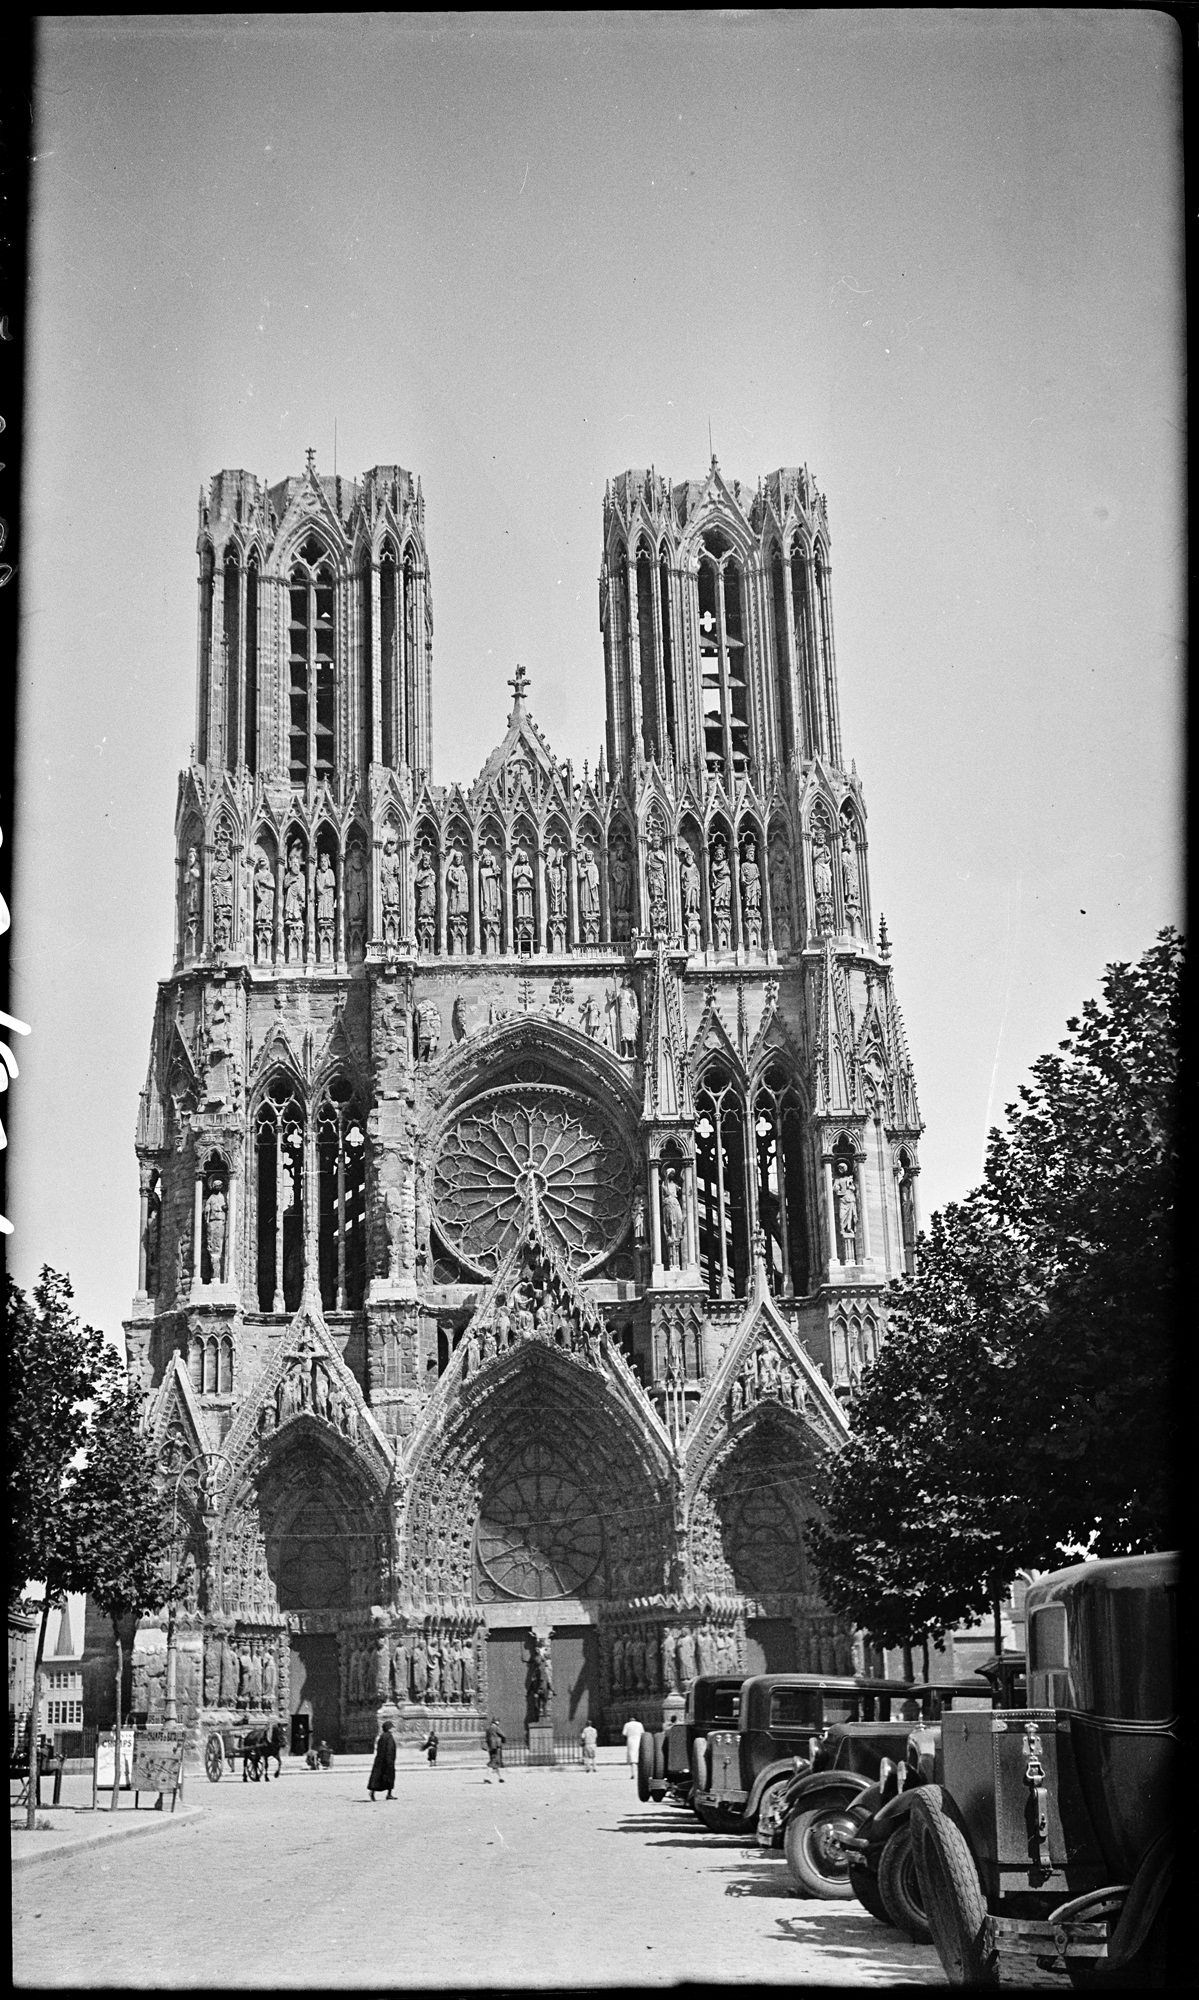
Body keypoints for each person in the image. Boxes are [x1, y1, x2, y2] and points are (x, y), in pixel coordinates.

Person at [367, 1719, 396, 1801]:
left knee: (377, 1777)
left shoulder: (382, 1736)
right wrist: (389, 1760)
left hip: (381, 1760)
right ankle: (388, 1794)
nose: (393, 1729)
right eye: (392, 1727)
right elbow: (389, 1749)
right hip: (387, 1760)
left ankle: (373, 1792)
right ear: (389, 1728)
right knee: (389, 1777)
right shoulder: (388, 1737)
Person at [622, 1713, 644, 1780]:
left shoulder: (627, 1724)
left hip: (631, 1740)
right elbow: (642, 1732)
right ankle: (639, 1773)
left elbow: (624, 1733)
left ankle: (633, 1773)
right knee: (638, 1755)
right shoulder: (639, 1724)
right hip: (638, 1739)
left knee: (632, 1756)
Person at [483, 1716, 506, 1783]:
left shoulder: (488, 1728)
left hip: (490, 1747)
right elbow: (503, 1735)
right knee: (493, 1761)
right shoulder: (496, 1728)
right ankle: (487, 1777)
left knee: (496, 1762)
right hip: (496, 1747)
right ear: (497, 1721)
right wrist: (503, 1741)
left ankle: (500, 1777)